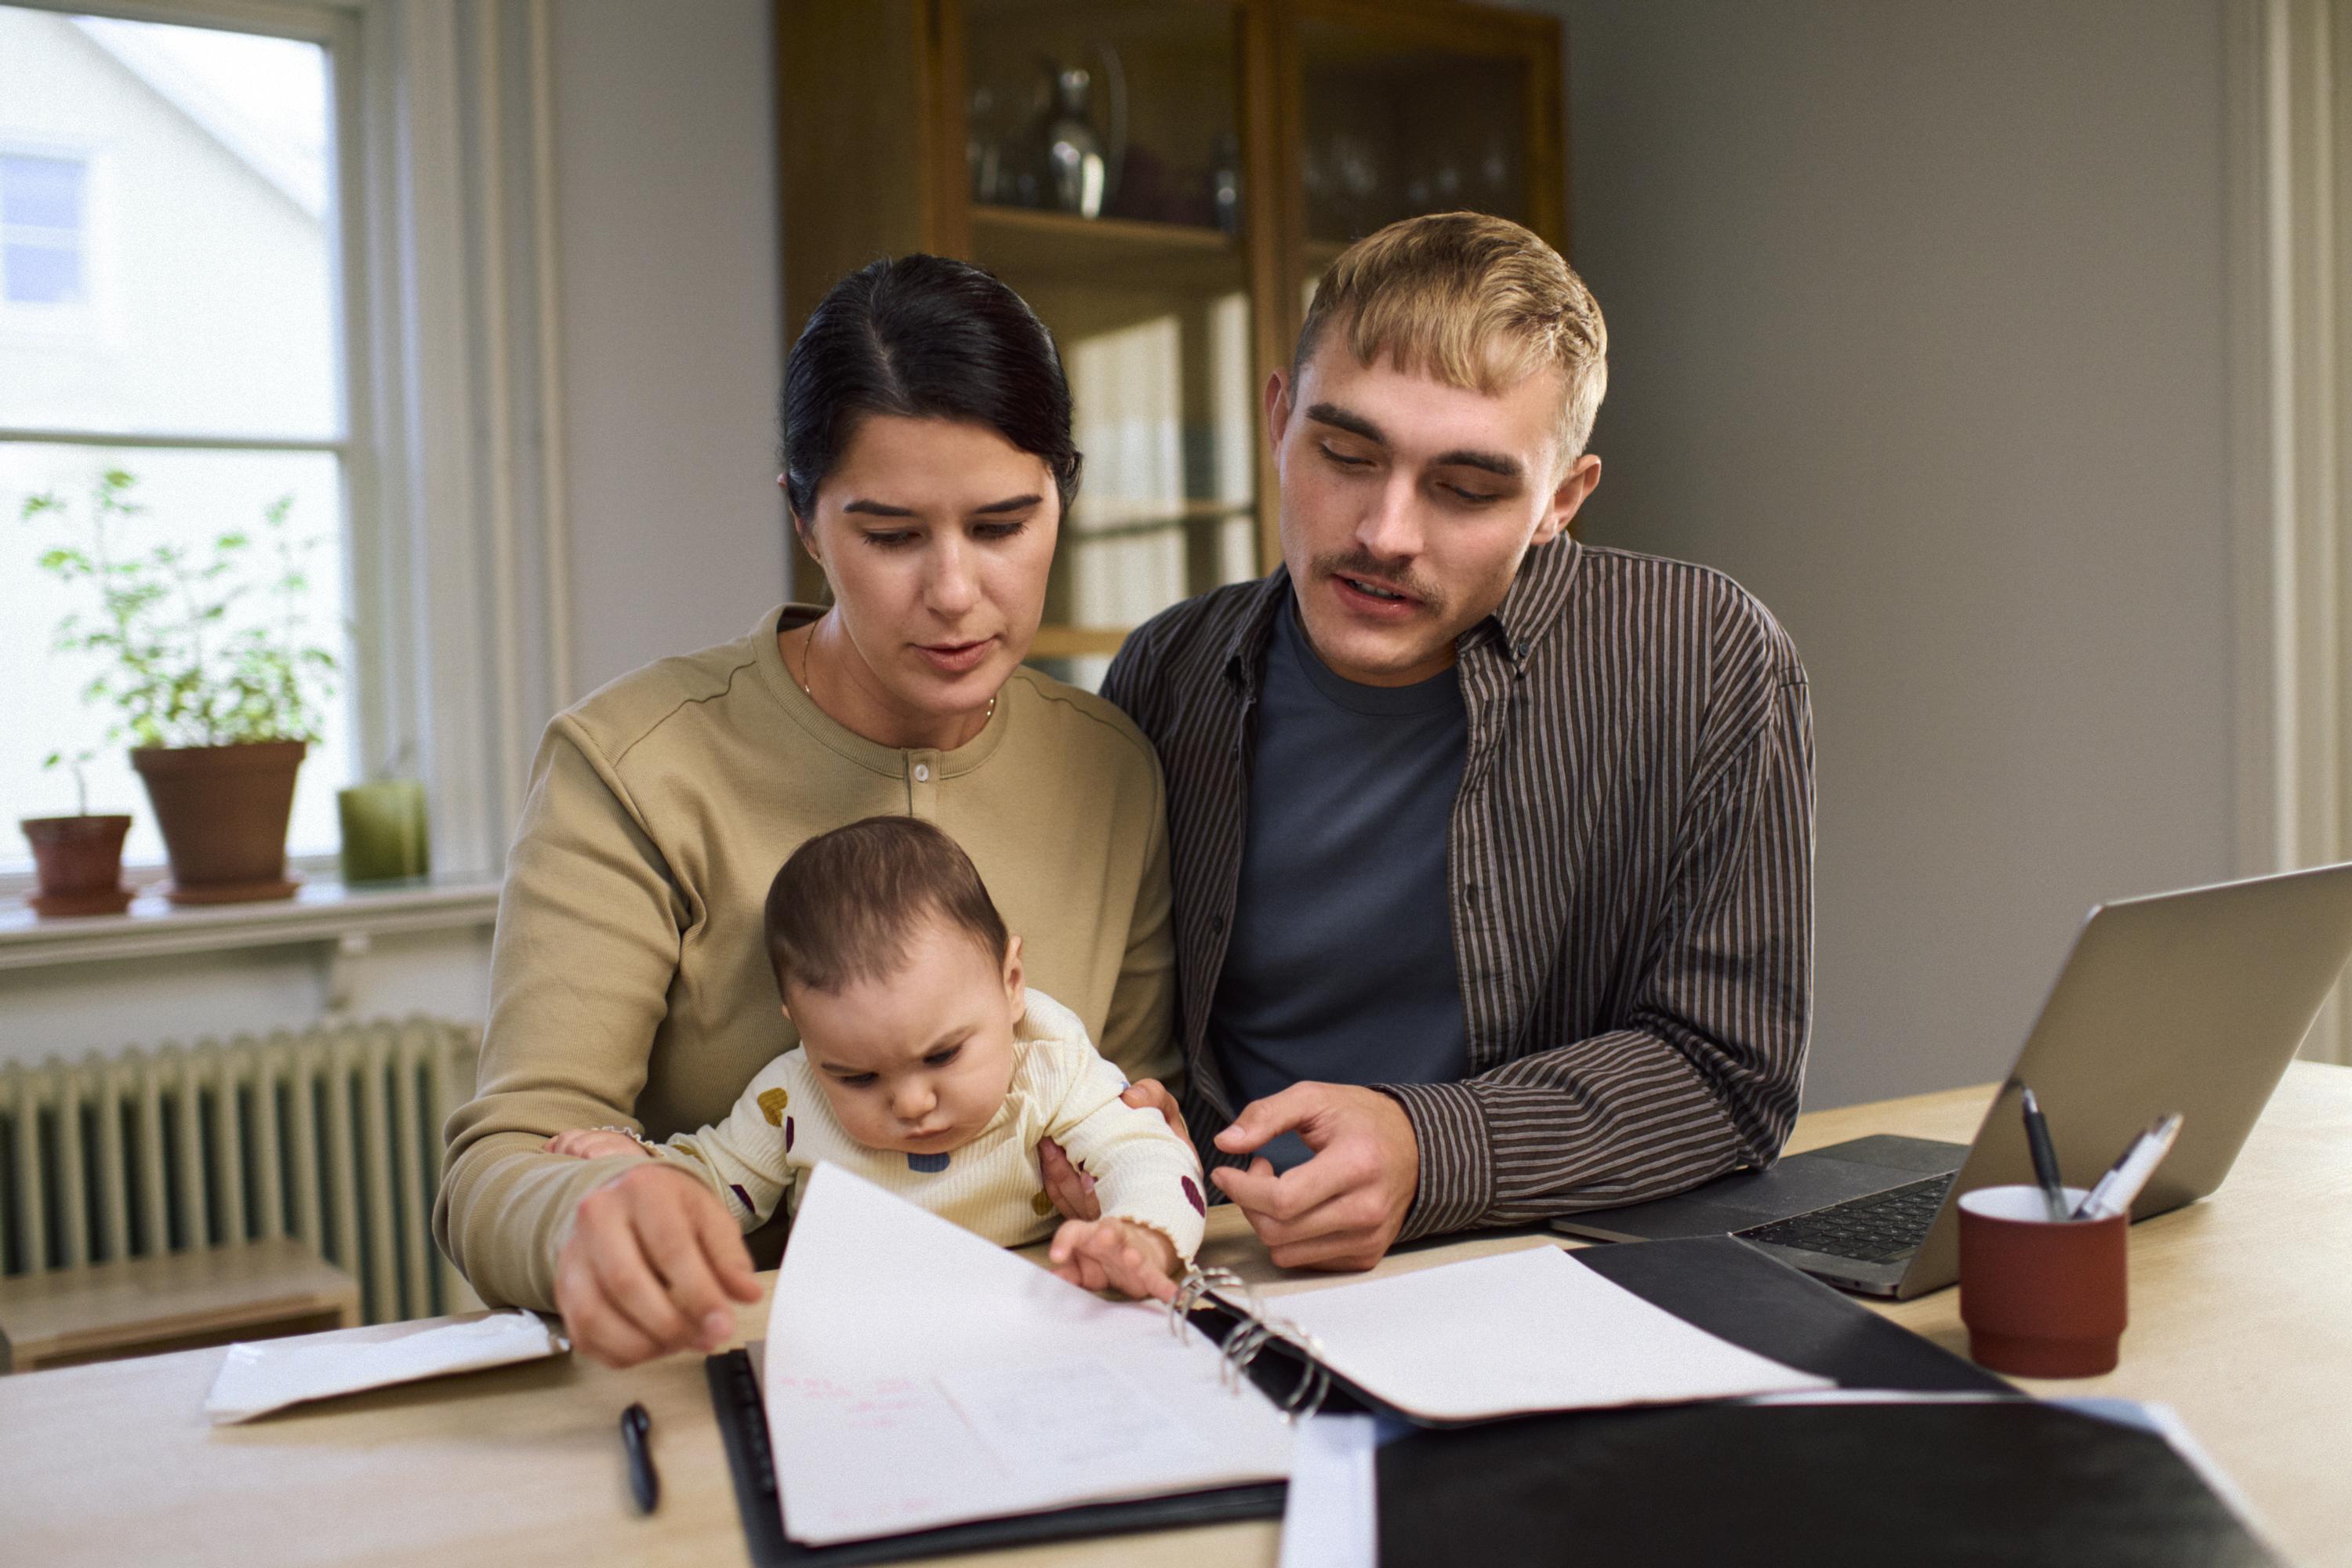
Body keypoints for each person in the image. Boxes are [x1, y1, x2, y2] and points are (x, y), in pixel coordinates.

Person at [436, 254, 1188, 1367]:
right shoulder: (636, 766)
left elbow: (1130, 1104)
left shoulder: (1113, 769)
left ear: (1061, 500)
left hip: (1043, 1369)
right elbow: (501, 1163)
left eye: (1003, 525)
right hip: (729, 1372)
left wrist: (1133, 1177)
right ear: (802, 517)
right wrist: (587, 1213)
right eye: (890, 535)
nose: (953, 591)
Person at [1078, 211, 1814, 1273]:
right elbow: (1137, 1049)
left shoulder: (1704, 659)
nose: (1385, 534)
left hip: (1533, 1275)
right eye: (1345, 452)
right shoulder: (1168, 674)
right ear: (1278, 418)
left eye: (1466, 490)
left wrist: (1429, 1149)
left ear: (1562, 498)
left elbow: (1729, 1074)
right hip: (1217, 1263)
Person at [547, 817, 1203, 1301]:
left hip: (1033, 1313)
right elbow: (721, 1184)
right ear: (803, 1033)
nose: (913, 1103)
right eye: (857, 1075)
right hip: (855, 1337)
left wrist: (1137, 1236)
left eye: (944, 1055)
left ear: (1010, 984)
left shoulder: (1050, 1065)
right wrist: (643, 1170)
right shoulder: (793, 1098)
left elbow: (1148, 1157)